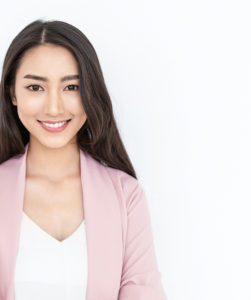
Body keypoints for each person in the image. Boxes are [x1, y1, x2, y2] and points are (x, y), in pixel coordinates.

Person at [0, 19, 167, 299]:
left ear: (91, 92)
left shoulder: (125, 196)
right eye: (35, 88)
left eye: (72, 87)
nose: (54, 107)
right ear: (12, 94)